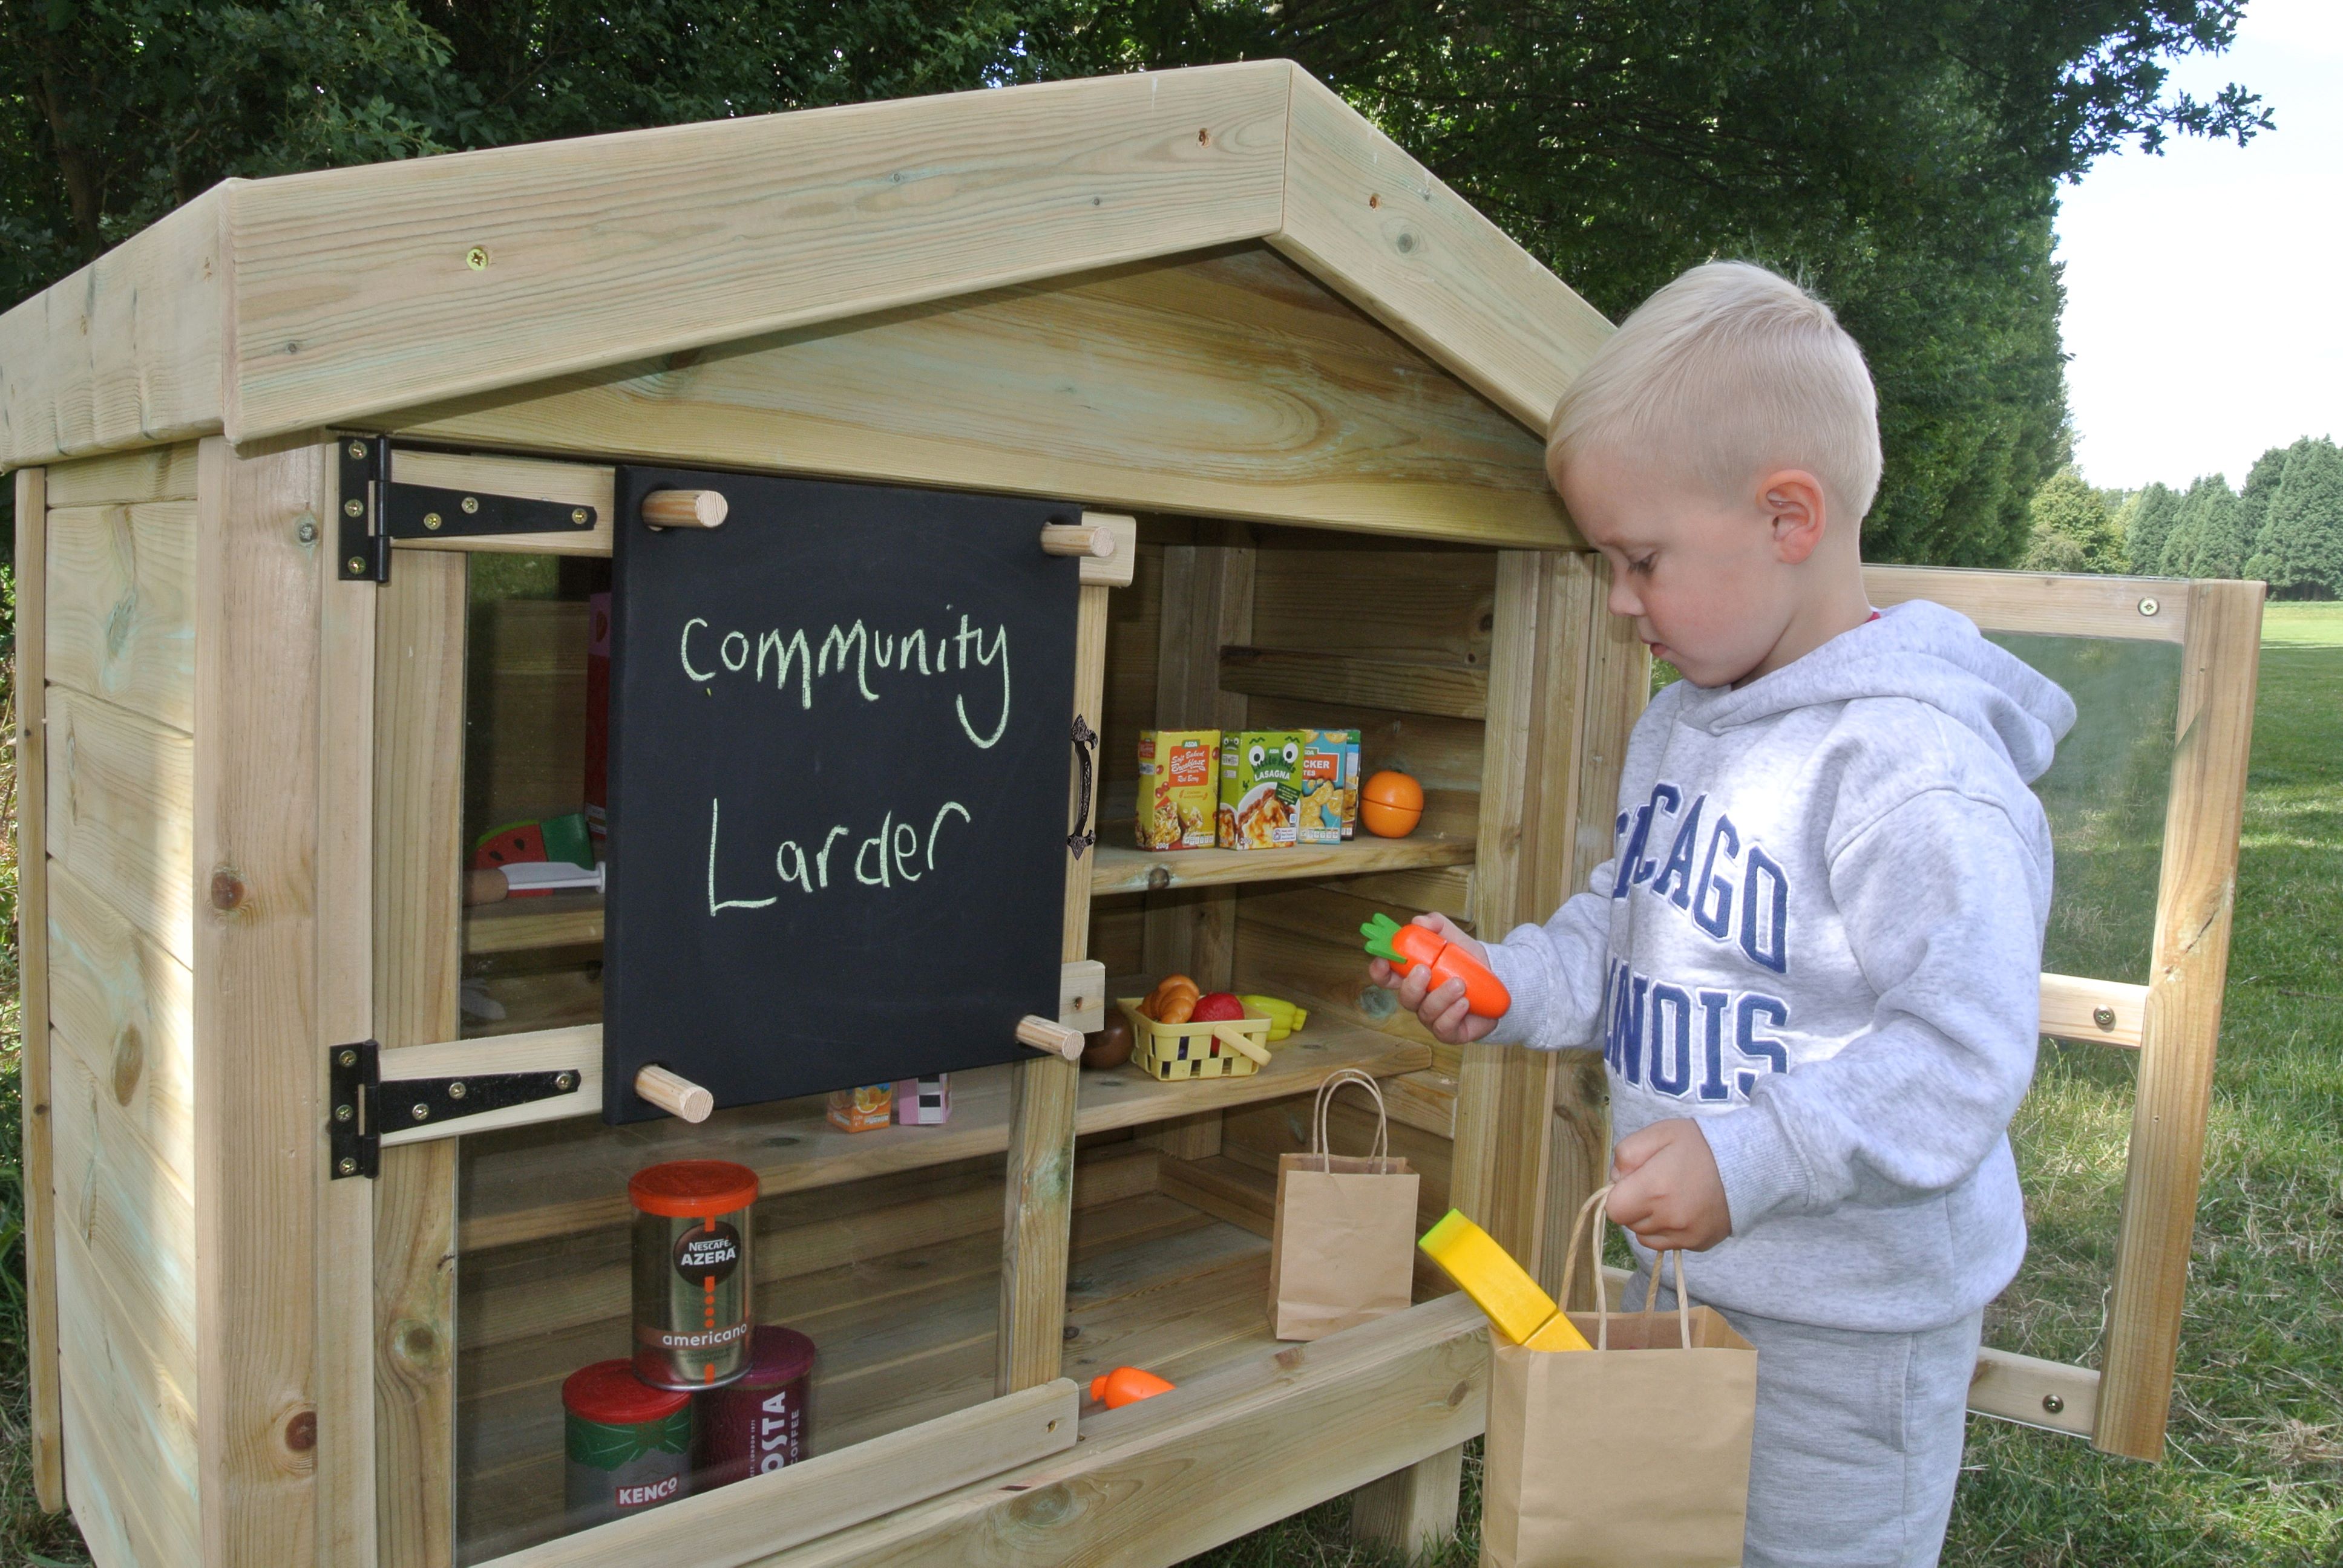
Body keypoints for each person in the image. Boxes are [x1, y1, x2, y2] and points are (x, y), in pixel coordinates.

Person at [1372, 260, 2074, 1568]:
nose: (1620, 602)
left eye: (1640, 561)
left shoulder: (1911, 774)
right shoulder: (1685, 720)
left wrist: (1749, 1159)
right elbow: (1627, 919)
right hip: (1692, 1274)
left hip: (1850, 1323)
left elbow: (1960, 1056)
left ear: (1787, 517)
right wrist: (1513, 983)